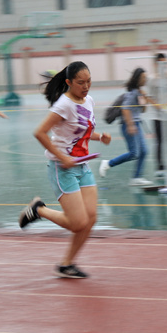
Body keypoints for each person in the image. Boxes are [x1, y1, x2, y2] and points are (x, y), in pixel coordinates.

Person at [17, 61, 112, 278]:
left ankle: (67, 264)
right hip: (63, 168)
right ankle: (38, 210)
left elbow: (81, 131)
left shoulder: (88, 100)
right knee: (78, 223)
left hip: (82, 165)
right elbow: (40, 133)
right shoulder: (63, 105)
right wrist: (63, 158)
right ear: (69, 82)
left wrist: (100, 137)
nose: (86, 86)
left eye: (89, 81)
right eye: (80, 82)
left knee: (90, 218)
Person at [99, 68, 152, 186]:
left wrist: (145, 98)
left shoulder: (139, 92)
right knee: (134, 153)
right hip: (129, 125)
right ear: (138, 79)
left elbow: (143, 110)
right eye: (144, 77)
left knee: (143, 151)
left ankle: (137, 178)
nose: (146, 79)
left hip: (136, 124)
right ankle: (108, 164)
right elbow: (125, 109)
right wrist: (130, 125)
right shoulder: (132, 93)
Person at [145, 53, 167, 177]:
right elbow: (148, 97)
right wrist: (159, 106)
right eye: (161, 63)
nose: (164, 66)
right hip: (157, 116)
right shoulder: (151, 79)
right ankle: (160, 167)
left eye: (166, 63)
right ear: (155, 64)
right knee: (159, 141)